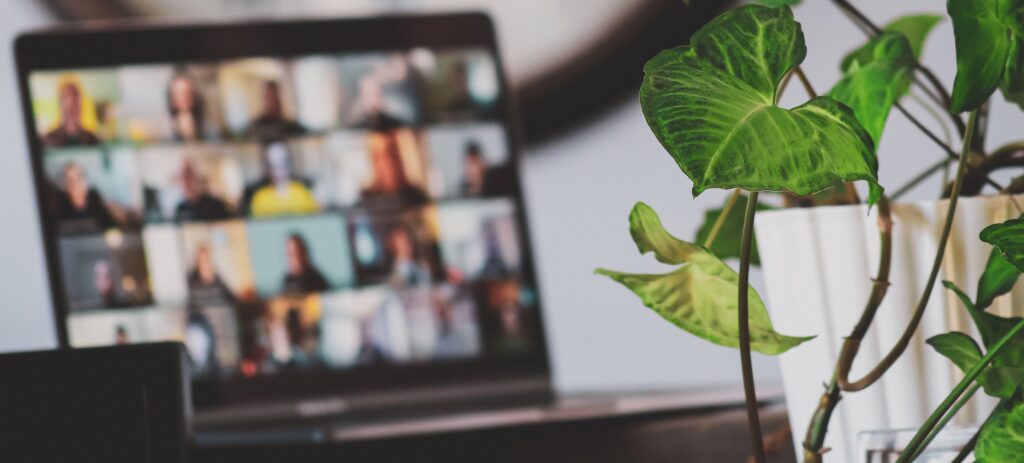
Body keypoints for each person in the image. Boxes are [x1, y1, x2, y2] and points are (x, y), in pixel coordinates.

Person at [248, 142, 319, 217]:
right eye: (272, 166)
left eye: (281, 164)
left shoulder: (303, 194)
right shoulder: (259, 198)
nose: (277, 171)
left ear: (289, 164)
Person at [361, 129, 428, 206]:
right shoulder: (366, 200)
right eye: (379, 156)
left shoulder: (417, 196)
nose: (388, 161)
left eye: (392, 152)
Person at [55, 162, 117, 231]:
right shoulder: (61, 200)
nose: (75, 183)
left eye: (79, 177)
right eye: (70, 180)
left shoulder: (93, 196)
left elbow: (109, 223)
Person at [42, 77, 101, 147]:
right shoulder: (49, 139)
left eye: (76, 97)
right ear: (61, 103)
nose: (72, 103)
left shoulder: (92, 139)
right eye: (67, 97)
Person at [166, 70, 206, 141]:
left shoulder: (210, 130)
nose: (183, 97)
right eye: (178, 93)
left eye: (187, 92)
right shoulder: (166, 133)